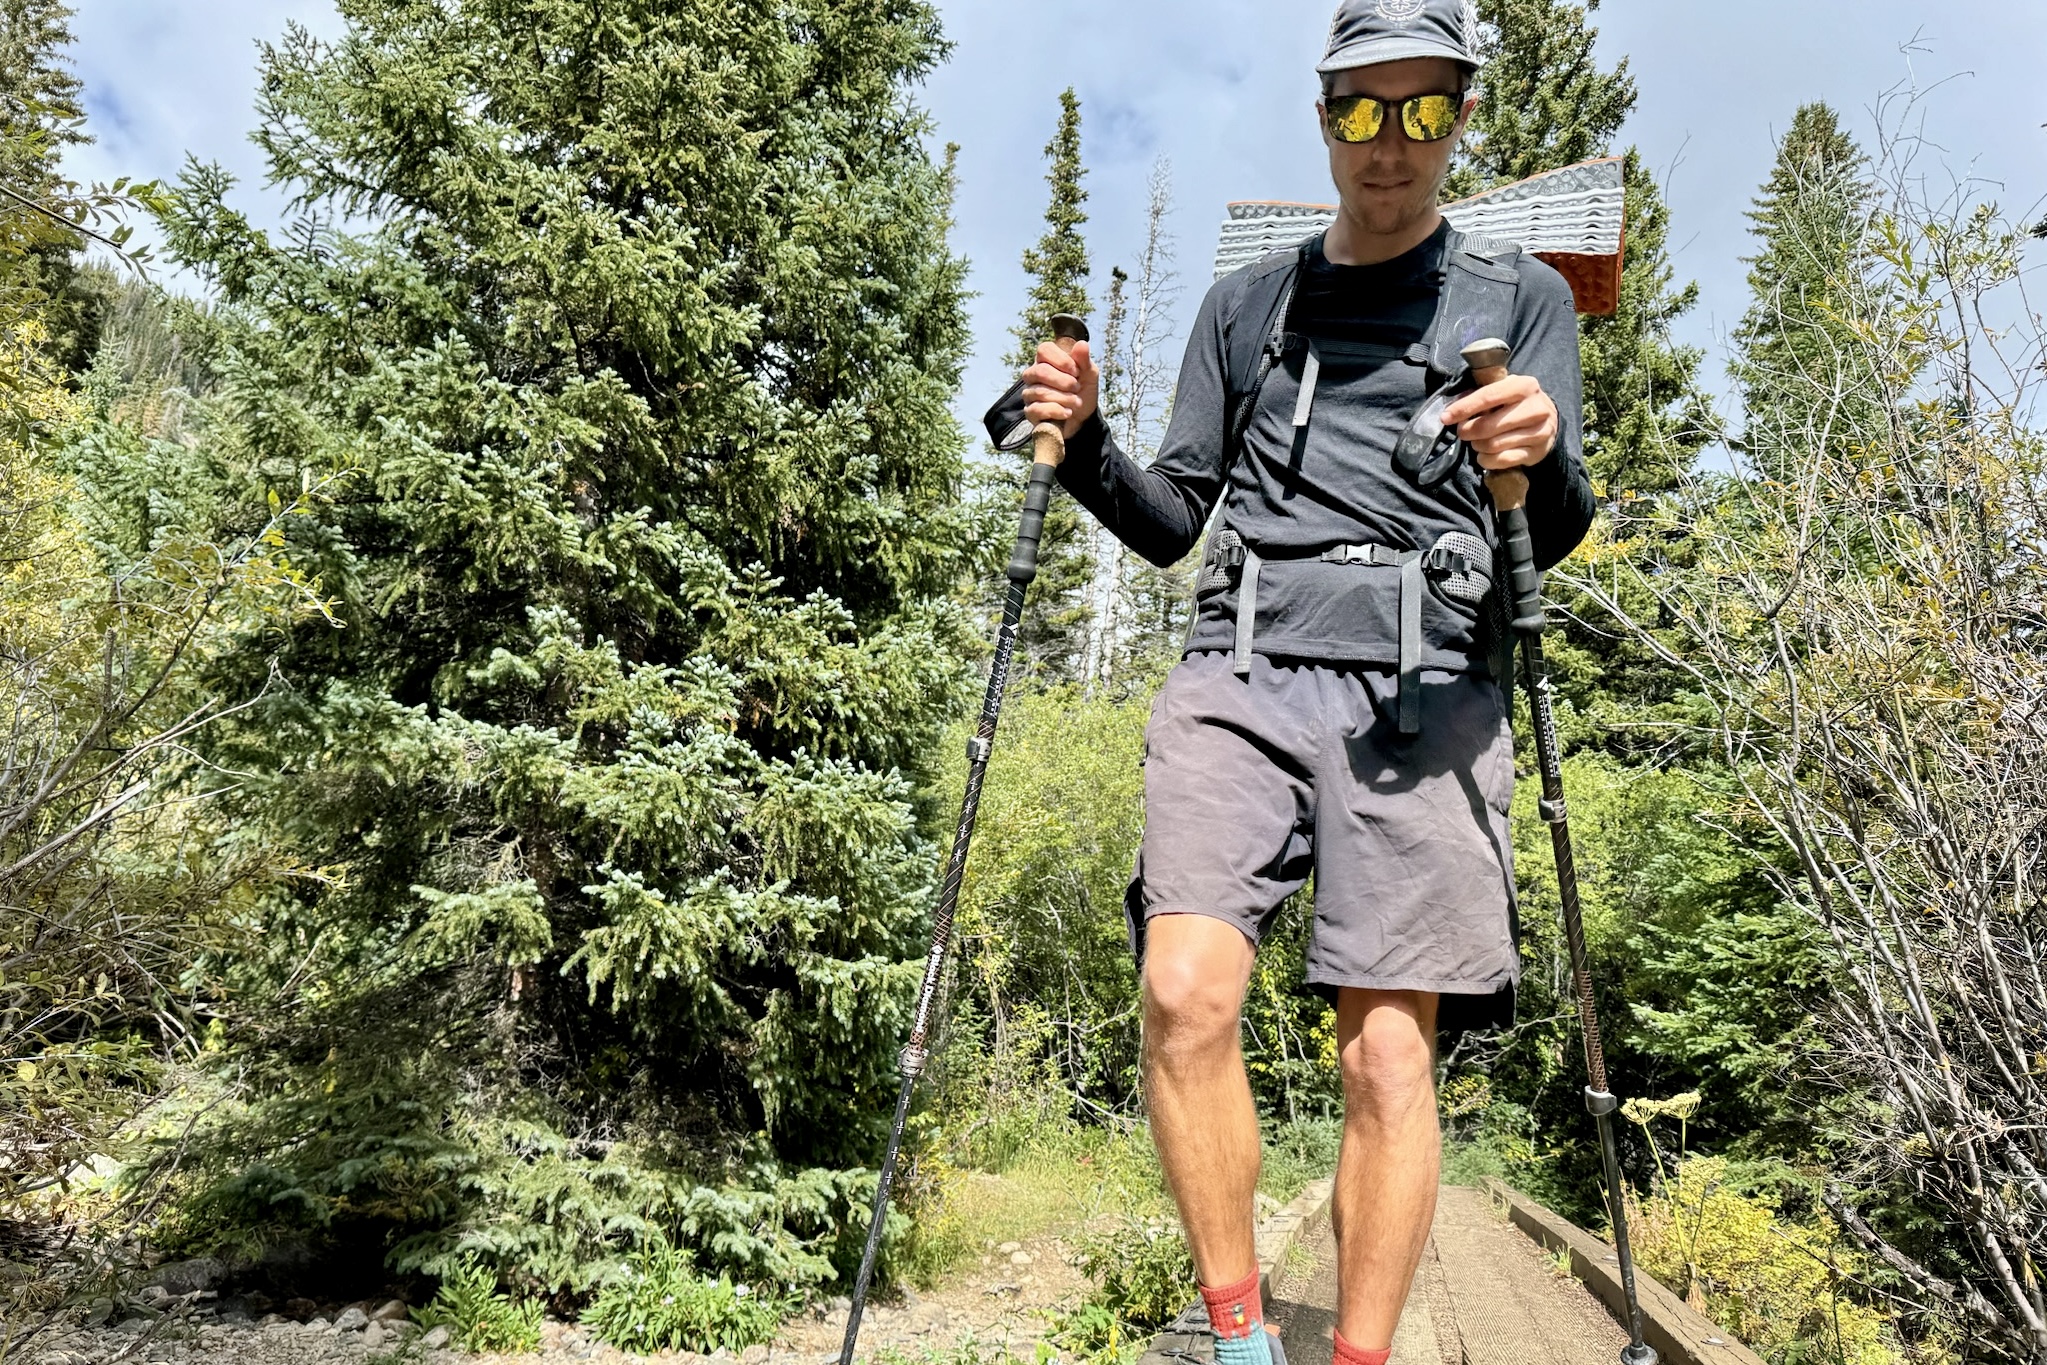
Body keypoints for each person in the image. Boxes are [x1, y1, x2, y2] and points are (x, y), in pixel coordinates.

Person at [985, 2, 1596, 1362]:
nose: (1392, 142)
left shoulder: (1522, 301)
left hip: (1431, 688)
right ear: (1324, 120)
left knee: (1387, 1055)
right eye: (1364, 111)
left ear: (1460, 117)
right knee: (1186, 991)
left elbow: (1545, 536)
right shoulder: (1246, 307)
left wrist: (1540, 448)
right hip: (1244, 669)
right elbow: (1170, 518)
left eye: (1422, 108)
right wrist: (1083, 445)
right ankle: (1246, 1336)